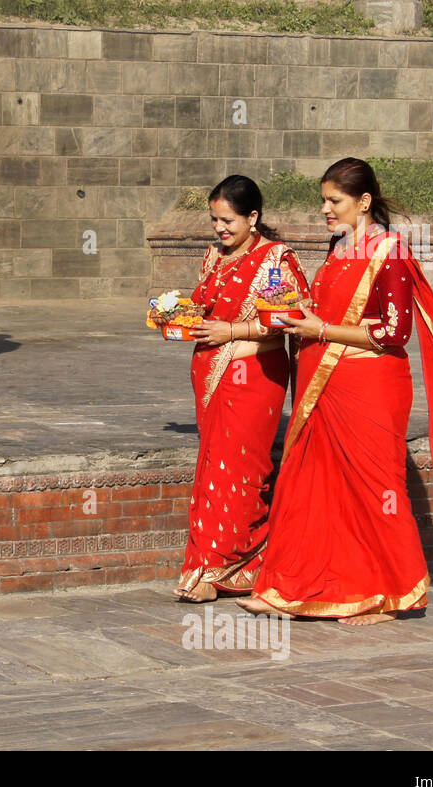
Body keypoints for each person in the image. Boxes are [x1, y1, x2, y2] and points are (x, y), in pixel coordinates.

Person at [237, 158, 433, 625]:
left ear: (364, 201)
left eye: (334, 201)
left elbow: (395, 333)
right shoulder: (340, 244)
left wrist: (321, 328)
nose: (325, 210)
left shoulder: (388, 251)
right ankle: (289, 588)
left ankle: (395, 595)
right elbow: (329, 308)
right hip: (325, 380)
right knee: (311, 482)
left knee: (377, 489)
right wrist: (293, 309)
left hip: (369, 385)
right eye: (323, 201)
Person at [175, 175, 309, 602]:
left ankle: (232, 565)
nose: (220, 228)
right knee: (214, 470)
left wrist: (230, 330)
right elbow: (203, 303)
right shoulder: (215, 256)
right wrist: (178, 315)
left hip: (253, 377)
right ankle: (210, 564)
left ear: (253, 217)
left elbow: (288, 319)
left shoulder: (275, 260)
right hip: (210, 373)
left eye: (228, 220)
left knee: (241, 471)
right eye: (215, 219)